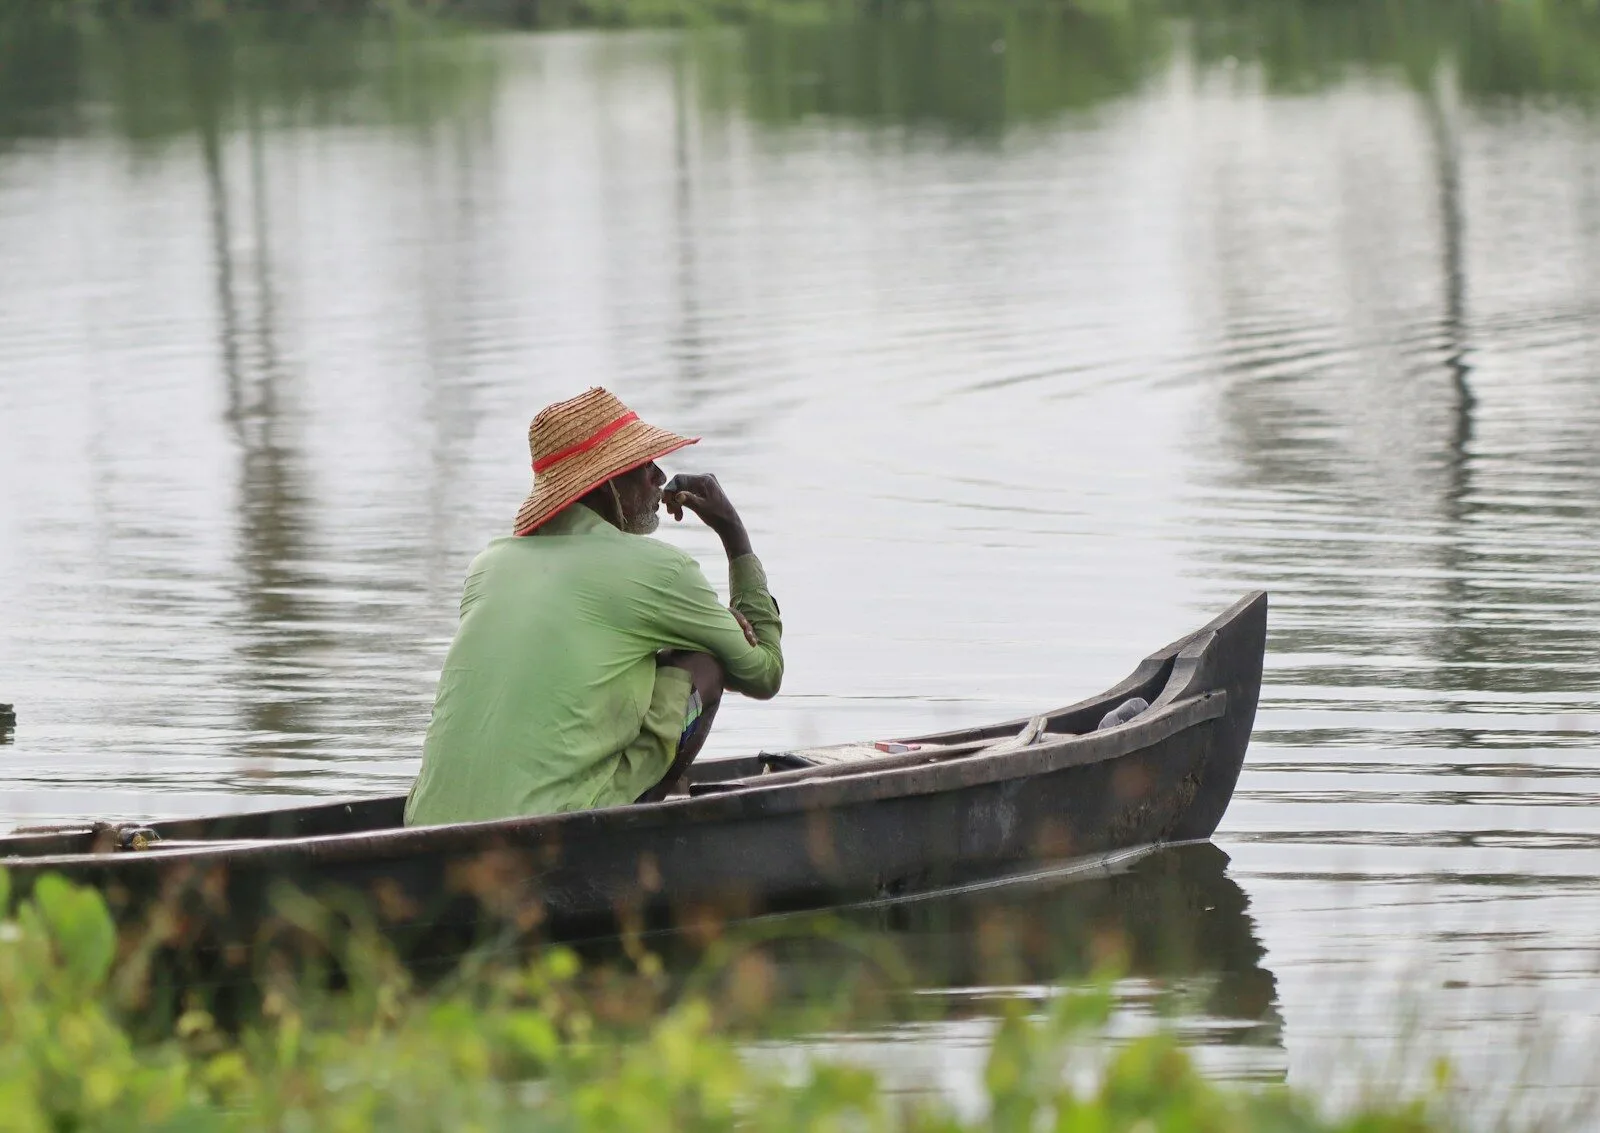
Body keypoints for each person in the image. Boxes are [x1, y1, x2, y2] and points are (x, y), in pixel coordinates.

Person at [403, 388, 783, 826]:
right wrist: (733, 534)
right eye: (643, 466)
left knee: (640, 663)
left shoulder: (488, 565)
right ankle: (629, 841)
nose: (659, 477)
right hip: (547, 832)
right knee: (705, 662)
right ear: (607, 486)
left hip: (426, 822)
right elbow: (765, 672)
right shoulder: (661, 569)